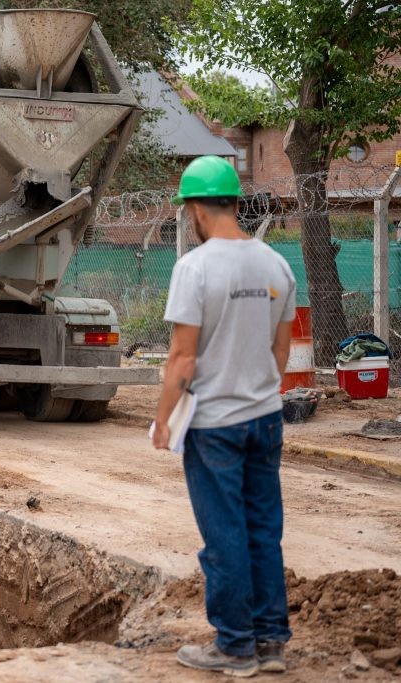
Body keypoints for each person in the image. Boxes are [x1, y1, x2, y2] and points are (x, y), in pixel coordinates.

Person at [152, 156, 296, 677]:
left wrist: (164, 417)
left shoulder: (196, 267)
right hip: (266, 417)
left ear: (195, 208)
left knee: (225, 534)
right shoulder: (276, 265)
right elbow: (280, 351)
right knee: (263, 527)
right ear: (234, 200)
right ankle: (271, 641)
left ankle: (234, 647)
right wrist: (256, 388)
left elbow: (182, 358)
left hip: (213, 424)